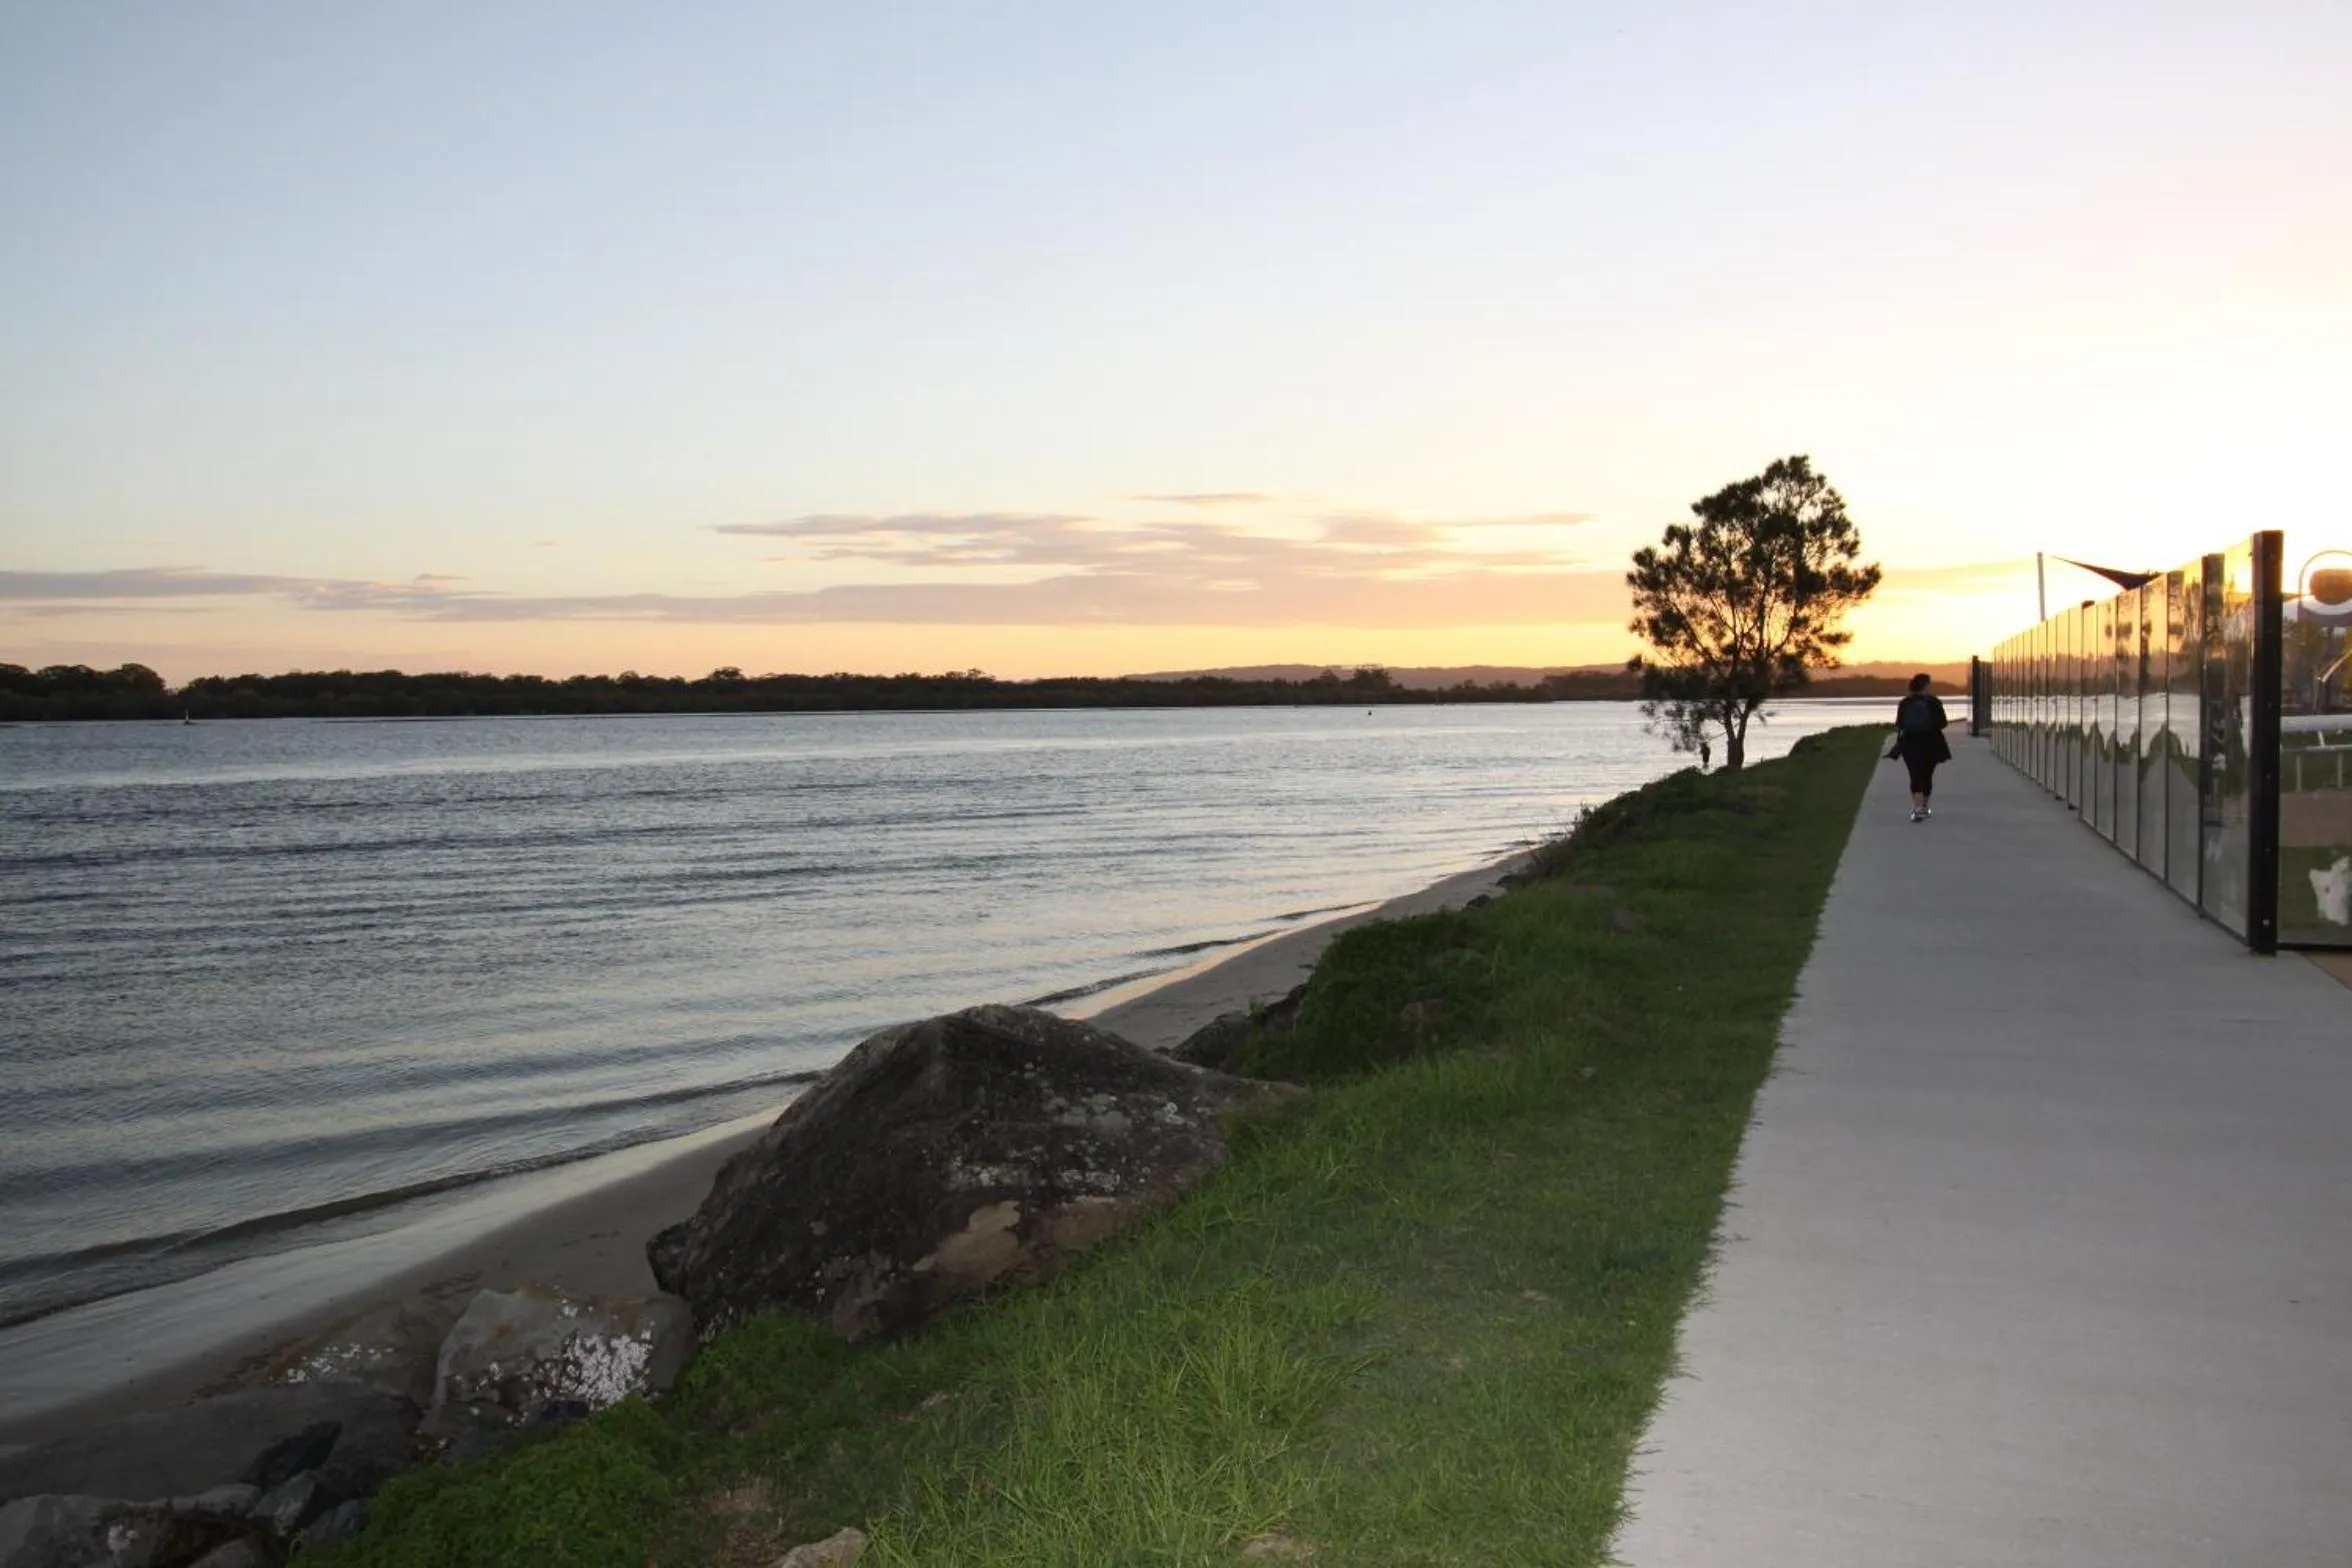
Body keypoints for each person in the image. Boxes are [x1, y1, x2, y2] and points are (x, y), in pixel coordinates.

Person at [1890, 673, 1952, 822]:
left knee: (1915, 775)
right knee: (1927, 775)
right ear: (1926, 686)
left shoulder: (1904, 703)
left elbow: (1900, 724)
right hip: (1931, 743)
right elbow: (1943, 723)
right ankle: (1924, 807)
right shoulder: (1934, 702)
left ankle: (1917, 809)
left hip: (1910, 743)